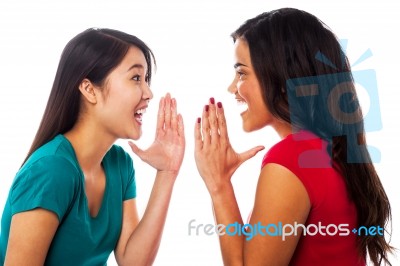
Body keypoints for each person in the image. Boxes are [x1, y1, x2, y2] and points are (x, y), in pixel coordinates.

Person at [194, 8, 393, 266]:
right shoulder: (329, 151)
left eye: (241, 72)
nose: (232, 87)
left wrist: (219, 186)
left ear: (279, 79)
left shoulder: (293, 158)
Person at [0, 28, 185, 265]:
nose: (148, 93)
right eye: (136, 78)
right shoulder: (51, 170)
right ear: (89, 89)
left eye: (146, 80)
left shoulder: (119, 164)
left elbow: (133, 261)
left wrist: (167, 172)